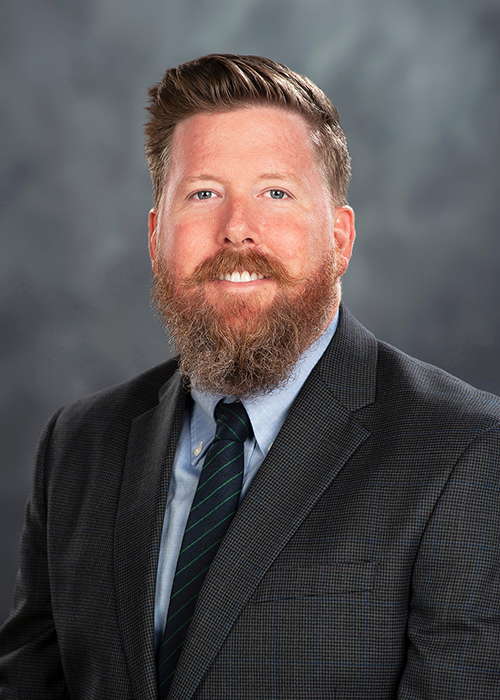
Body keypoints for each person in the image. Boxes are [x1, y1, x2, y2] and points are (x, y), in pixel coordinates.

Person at [0, 53, 499, 700]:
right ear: (156, 237)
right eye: (203, 193)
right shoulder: (79, 444)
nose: (237, 230)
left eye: (276, 193)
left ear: (340, 239)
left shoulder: (467, 451)